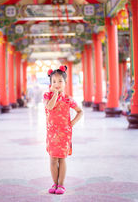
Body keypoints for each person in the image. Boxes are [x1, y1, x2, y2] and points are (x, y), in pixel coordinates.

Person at [43, 65, 83, 195]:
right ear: (50, 84)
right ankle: (54, 183)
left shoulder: (68, 99)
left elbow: (80, 111)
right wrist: (55, 94)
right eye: (54, 81)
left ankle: (61, 185)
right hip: (51, 133)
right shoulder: (47, 96)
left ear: (65, 83)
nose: (57, 84)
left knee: (61, 158)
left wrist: (72, 123)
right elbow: (49, 107)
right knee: (52, 159)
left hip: (64, 133)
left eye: (60, 81)